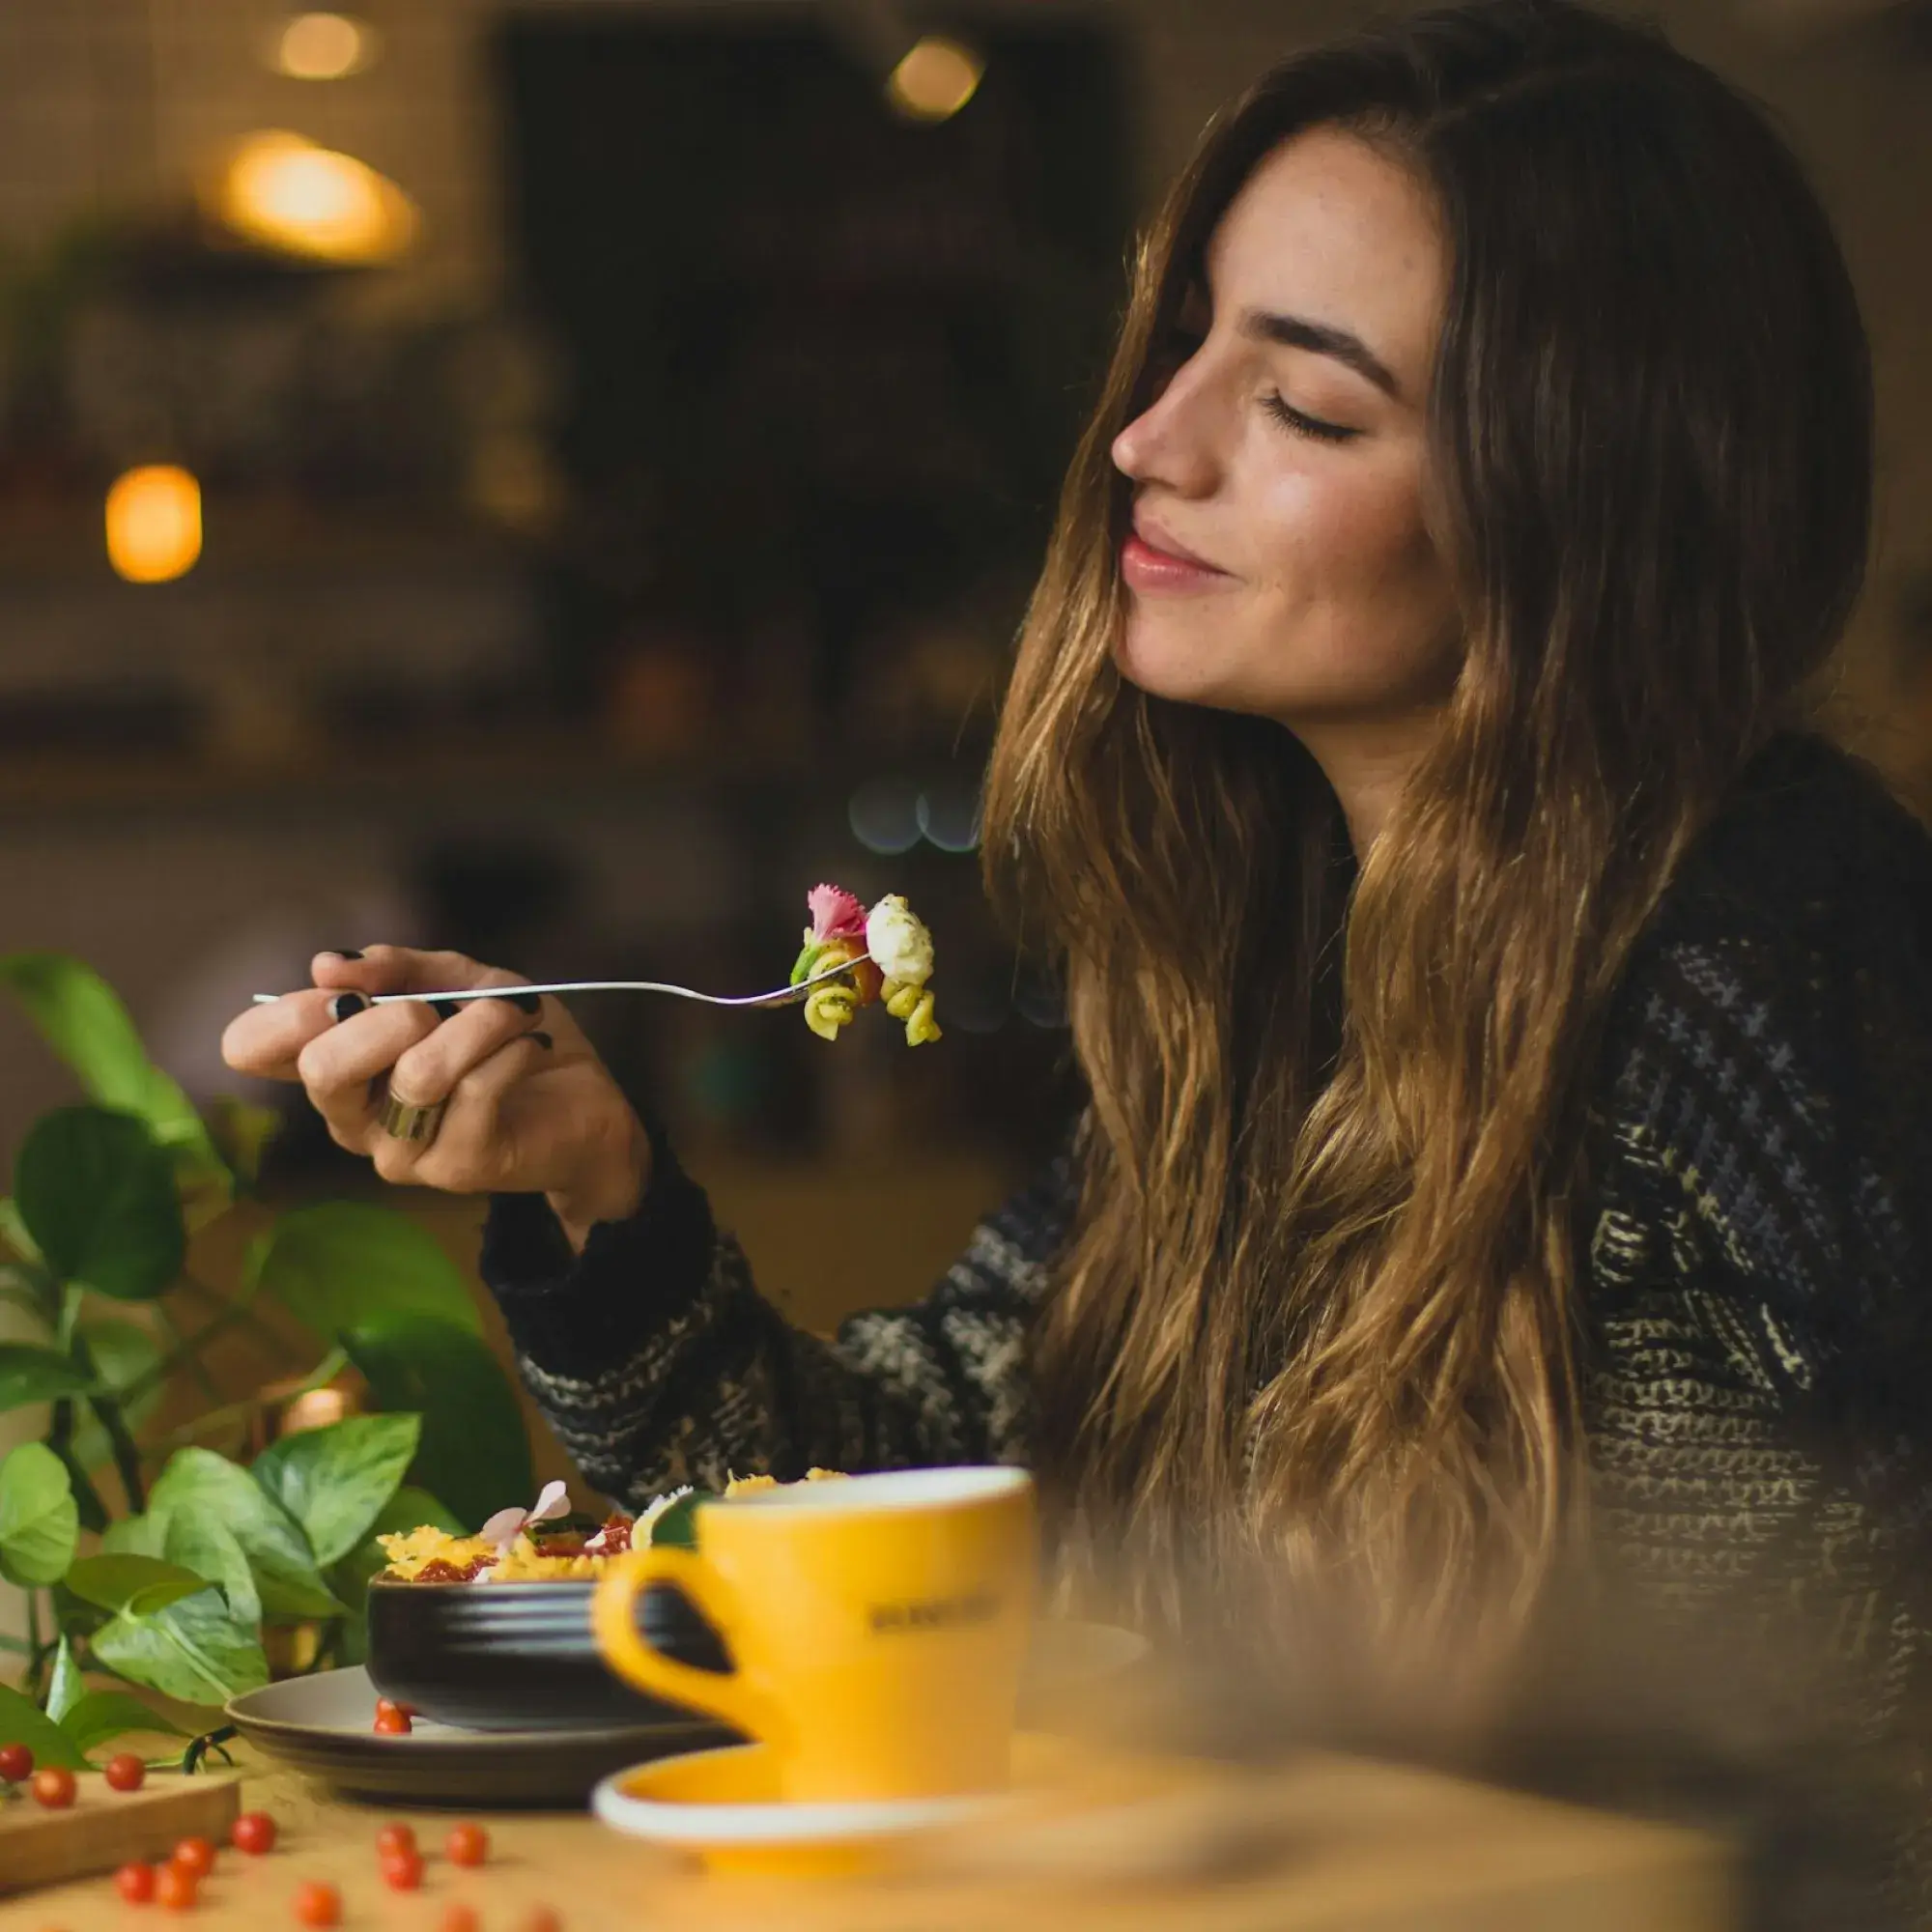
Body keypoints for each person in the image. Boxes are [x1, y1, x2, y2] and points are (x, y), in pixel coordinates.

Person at [224, 0, 1931, 1916]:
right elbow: (925, 1506)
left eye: (1301, 403)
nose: (1144, 435)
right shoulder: (1289, 980)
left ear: (1585, 514)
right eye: (1187, 333)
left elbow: (1798, 1759)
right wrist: (595, 1184)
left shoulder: (1766, 970)